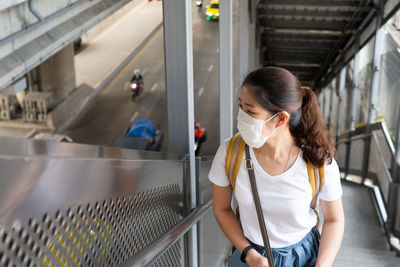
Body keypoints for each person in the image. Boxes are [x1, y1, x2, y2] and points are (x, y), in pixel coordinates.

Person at [209, 67, 344, 267]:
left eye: (250, 111)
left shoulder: (318, 162)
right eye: (241, 107)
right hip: (249, 256)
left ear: (281, 119)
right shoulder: (231, 152)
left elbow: (334, 220)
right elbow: (221, 208)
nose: (241, 117)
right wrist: (249, 253)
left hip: (303, 257)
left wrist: (322, 265)